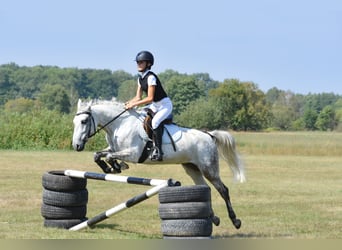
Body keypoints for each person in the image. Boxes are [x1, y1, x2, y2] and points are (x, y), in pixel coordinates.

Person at [125, 51, 173, 161]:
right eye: (137, 62)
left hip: (164, 105)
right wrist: (128, 103)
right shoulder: (140, 78)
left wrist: (133, 104)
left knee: (155, 122)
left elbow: (149, 98)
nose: (138, 64)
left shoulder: (151, 77)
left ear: (148, 64)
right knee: (141, 117)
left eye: (141, 62)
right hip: (155, 105)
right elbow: (138, 97)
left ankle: (159, 151)